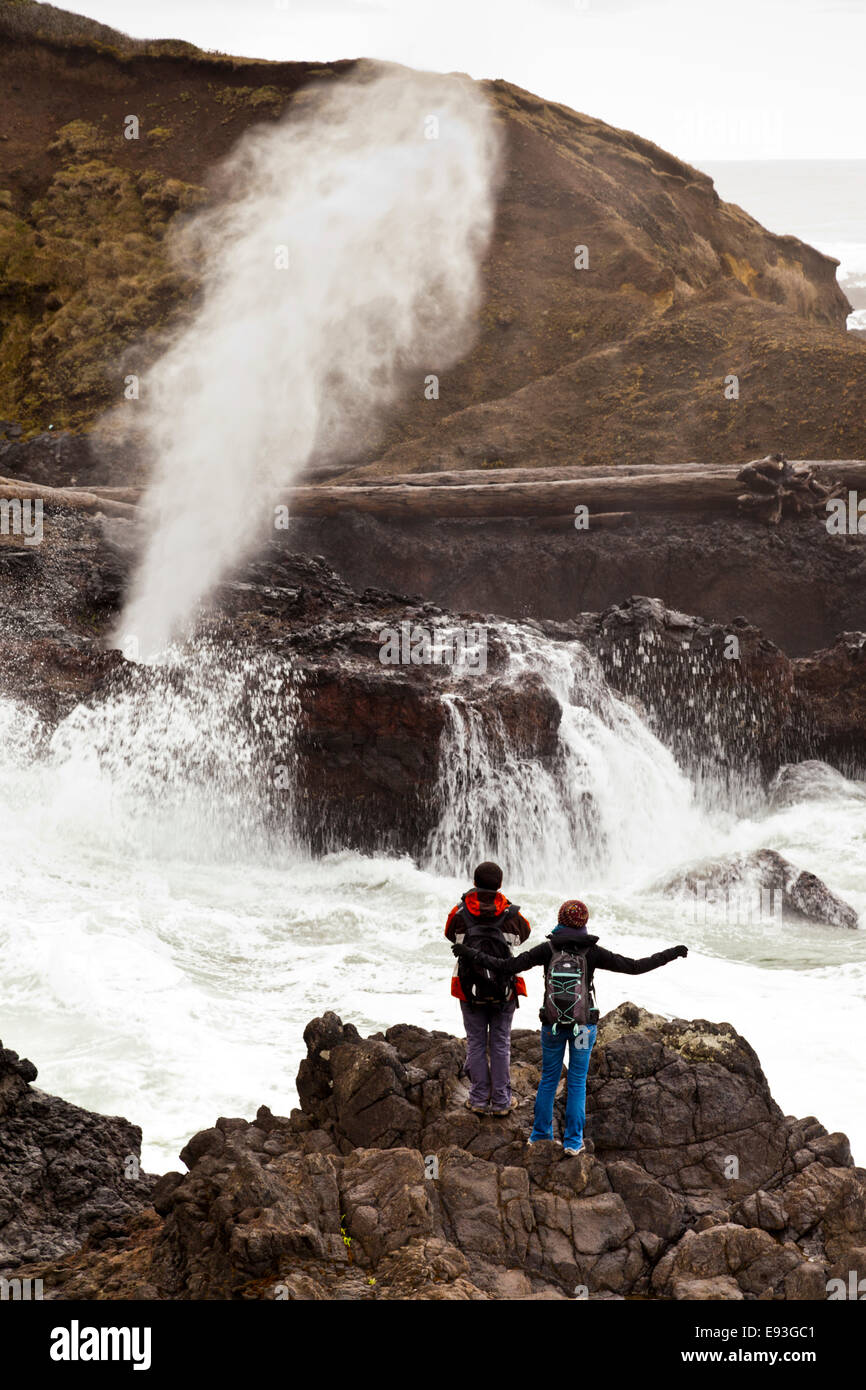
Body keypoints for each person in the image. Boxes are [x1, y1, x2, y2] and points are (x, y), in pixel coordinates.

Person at [452, 899, 687, 1154]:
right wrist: (671, 953)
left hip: (551, 1027)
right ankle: (573, 1142)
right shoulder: (593, 952)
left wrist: (470, 953)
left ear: (560, 920)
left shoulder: (547, 949)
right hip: (583, 1029)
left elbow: (507, 966)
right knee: (577, 1082)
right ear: (584, 923)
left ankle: (541, 1134)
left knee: (548, 1080)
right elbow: (635, 967)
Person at [444, 861, 531, 1117]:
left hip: (470, 988)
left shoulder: (459, 913)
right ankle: (502, 1101)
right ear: (500, 884)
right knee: (501, 1043)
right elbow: (524, 934)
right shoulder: (512, 914)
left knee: (476, 1043)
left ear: (474, 882)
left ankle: (479, 1099)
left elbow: (449, 934)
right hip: (504, 987)